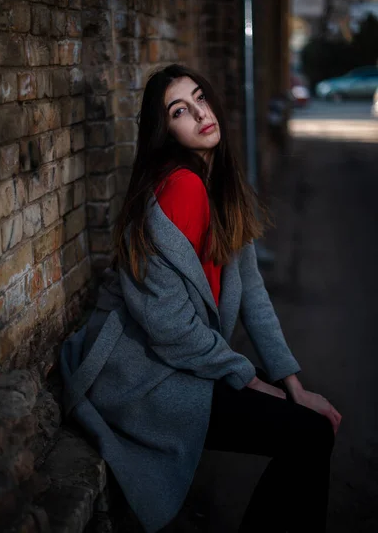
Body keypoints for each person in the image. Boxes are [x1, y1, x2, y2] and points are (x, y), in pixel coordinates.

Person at [60, 64, 342, 533]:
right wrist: (250, 380)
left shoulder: (220, 185)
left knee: (309, 424)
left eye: (200, 100)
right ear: (165, 130)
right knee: (308, 435)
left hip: (183, 361)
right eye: (180, 111)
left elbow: (253, 293)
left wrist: (292, 383)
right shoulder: (181, 189)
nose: (199, 114)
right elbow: (169, 327)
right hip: (142, 376)